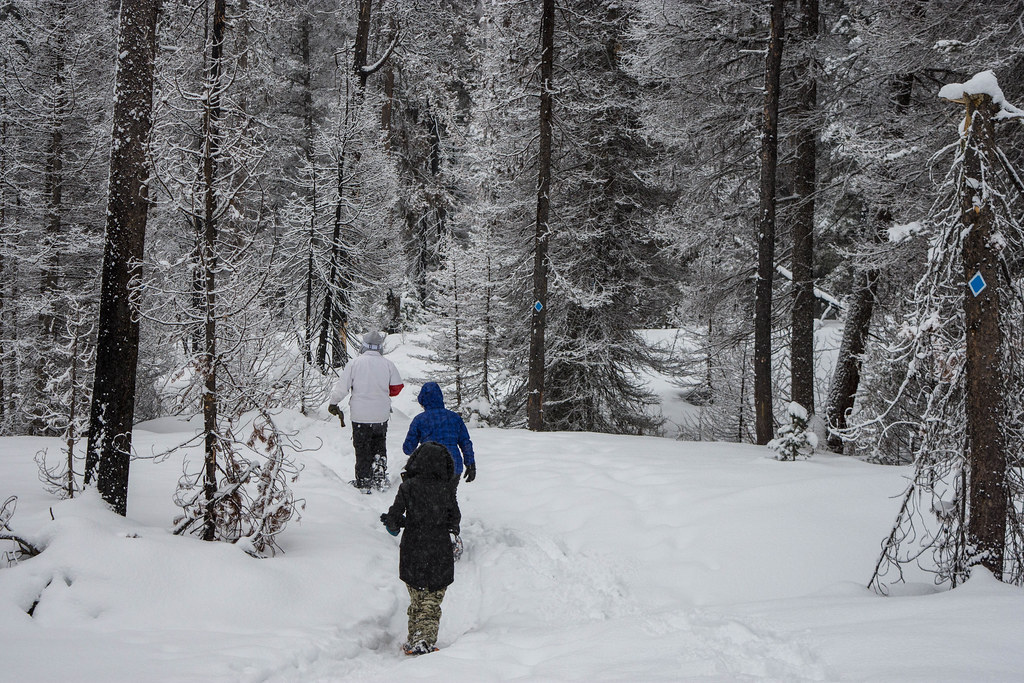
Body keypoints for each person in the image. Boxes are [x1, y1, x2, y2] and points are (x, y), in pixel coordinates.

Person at [380, 442, 461, 656]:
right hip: (439, 547)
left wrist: (395, 521)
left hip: (413, 547)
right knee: (432, 598)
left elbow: (395, 520)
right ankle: (423, 639)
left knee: (417, 596)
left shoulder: (408, 486)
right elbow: (455, 519)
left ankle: (414, 637)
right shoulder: (446, 487)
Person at [327, 330, 403, 491]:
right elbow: (396, 388)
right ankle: (379, 475)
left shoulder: (354, 364)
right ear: (380, 347)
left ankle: (364, 480)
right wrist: (382, 391)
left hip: (360, 416)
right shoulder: (388, 364)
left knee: (362, 448)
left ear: (364, 346)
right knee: (379, 444)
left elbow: (342, 387)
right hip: (380, 415)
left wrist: (333, 403)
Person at [402, 382, 476, 487]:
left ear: (422, 400)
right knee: (449, 498)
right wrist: (470, 463)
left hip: (429, 467)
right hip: (454, 467)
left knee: (430, 499)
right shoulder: (455, 417)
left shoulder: (419, 420)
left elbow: (408, 449)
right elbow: (465, 442)